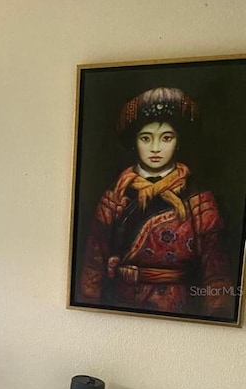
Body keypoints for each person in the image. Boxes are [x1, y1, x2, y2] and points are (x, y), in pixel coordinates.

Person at [77, 86, 236, 319]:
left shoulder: (199, 201)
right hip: (119, 311)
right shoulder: (115, 198)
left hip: (180, 311)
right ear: (135, 142)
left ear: (178, 142)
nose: (155, 148)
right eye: (146, 138)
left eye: (166, 138)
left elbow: (217, 274)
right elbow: (93, 266)